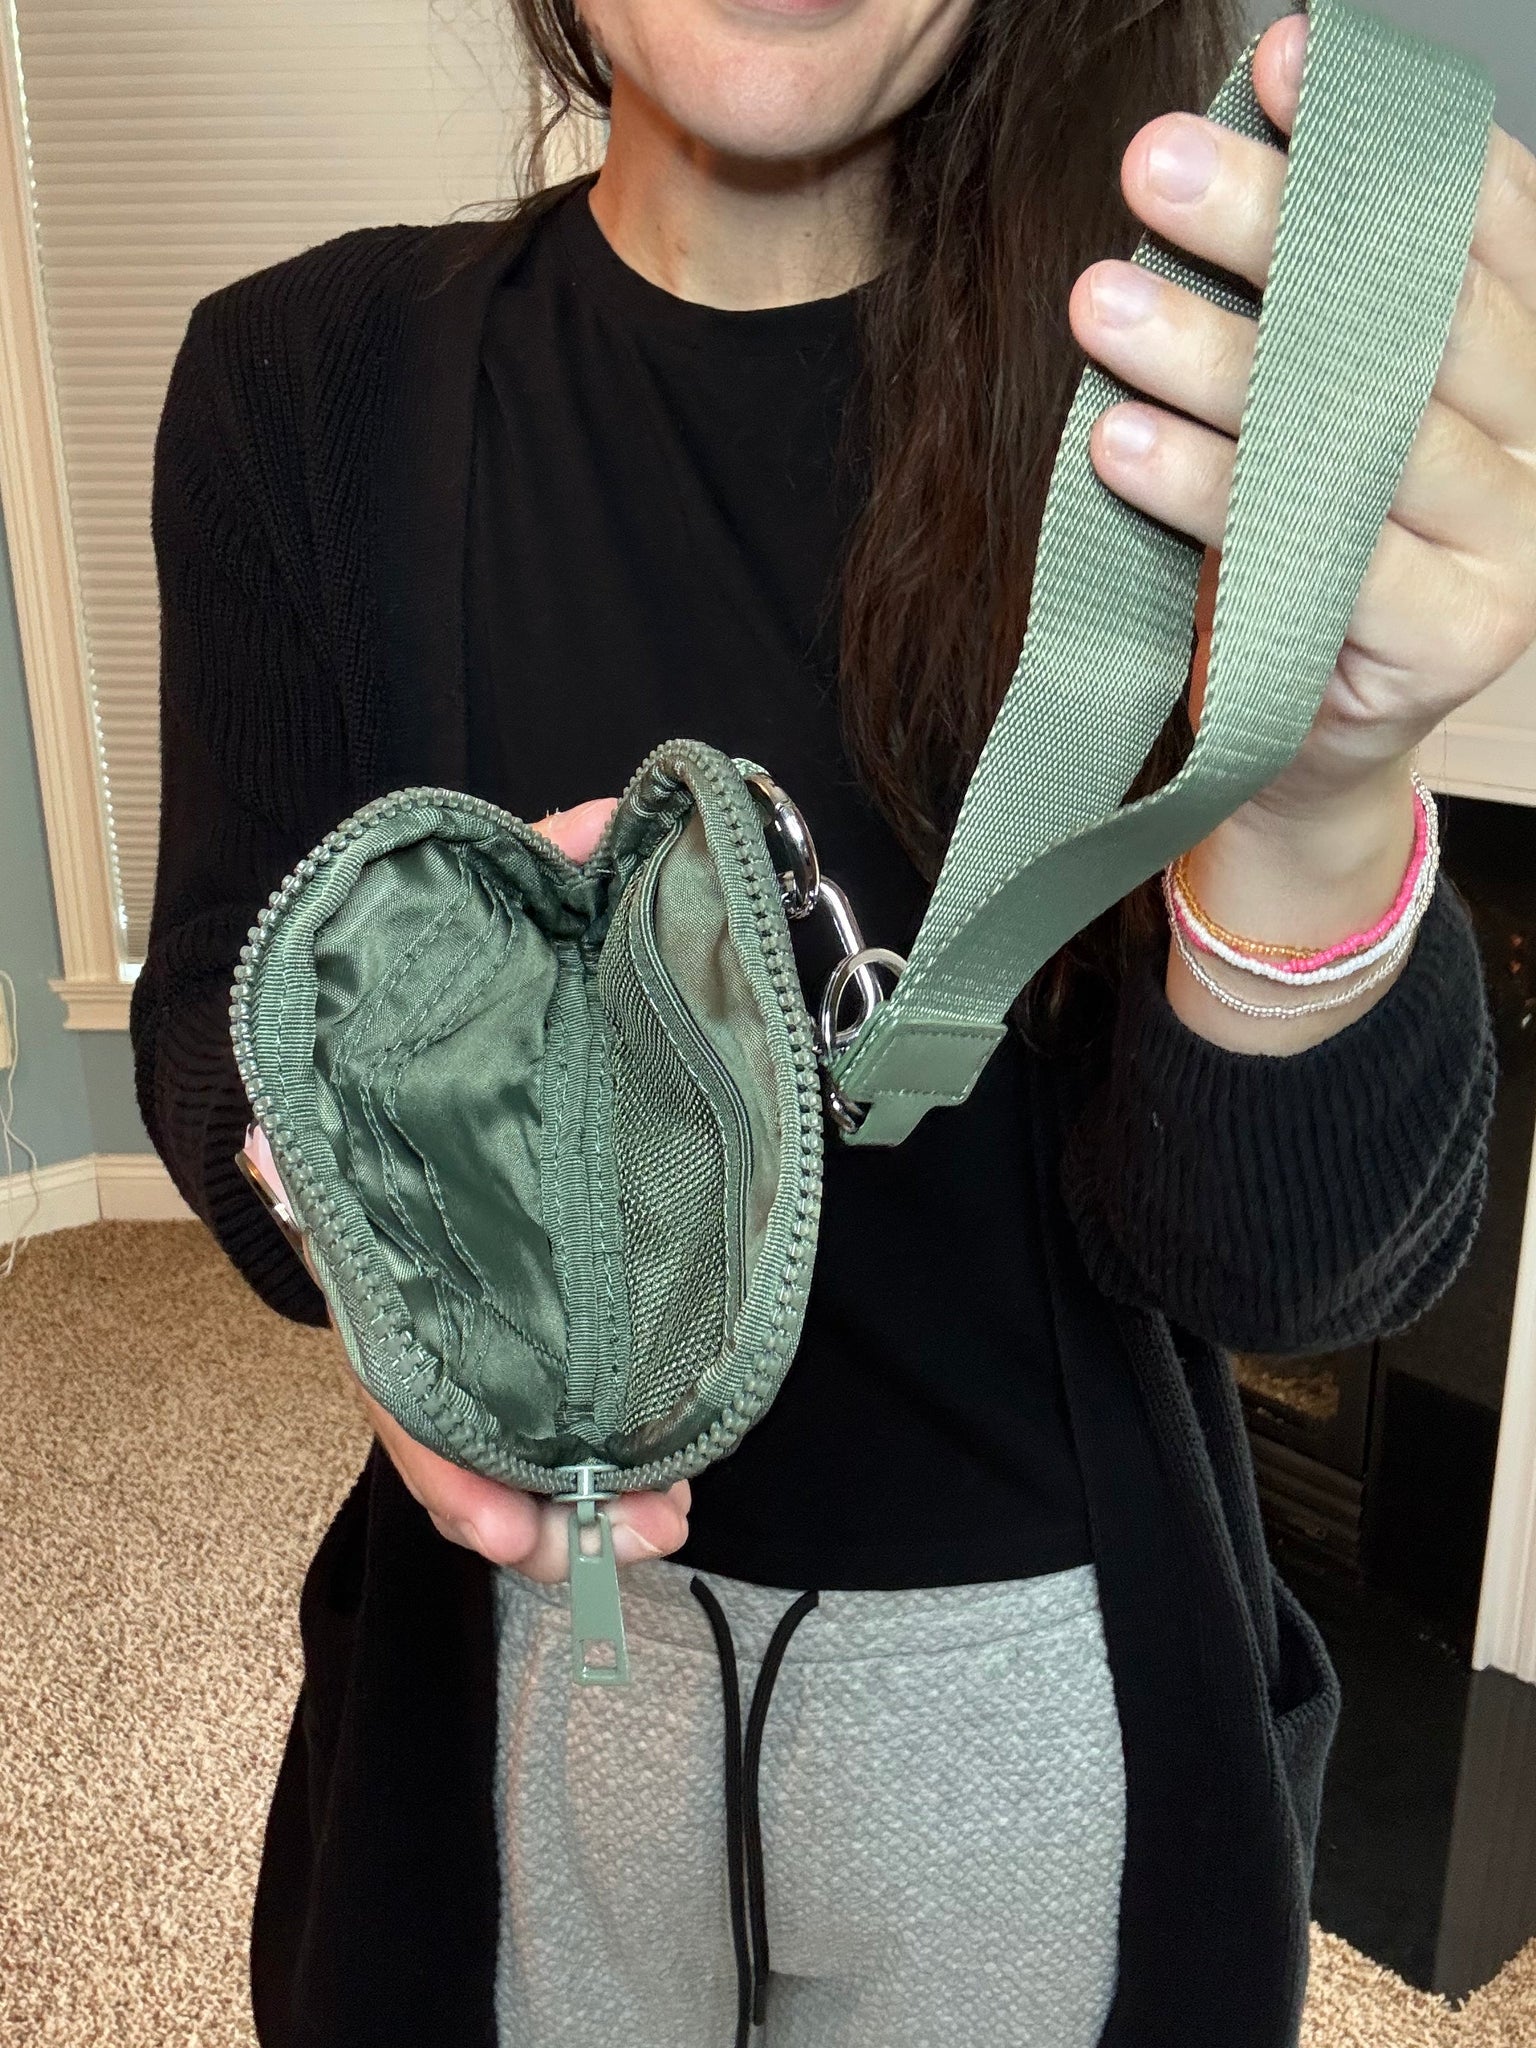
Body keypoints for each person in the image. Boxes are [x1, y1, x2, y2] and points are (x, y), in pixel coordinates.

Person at [129, 2, 1536, 2044]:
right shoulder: (295, 385)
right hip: (514, 1675)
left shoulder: (1184, 418)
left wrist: (1314, 805)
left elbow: (1279, 1272)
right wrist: (366, 1183)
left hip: (1038, 1708)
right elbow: (211, 1003)